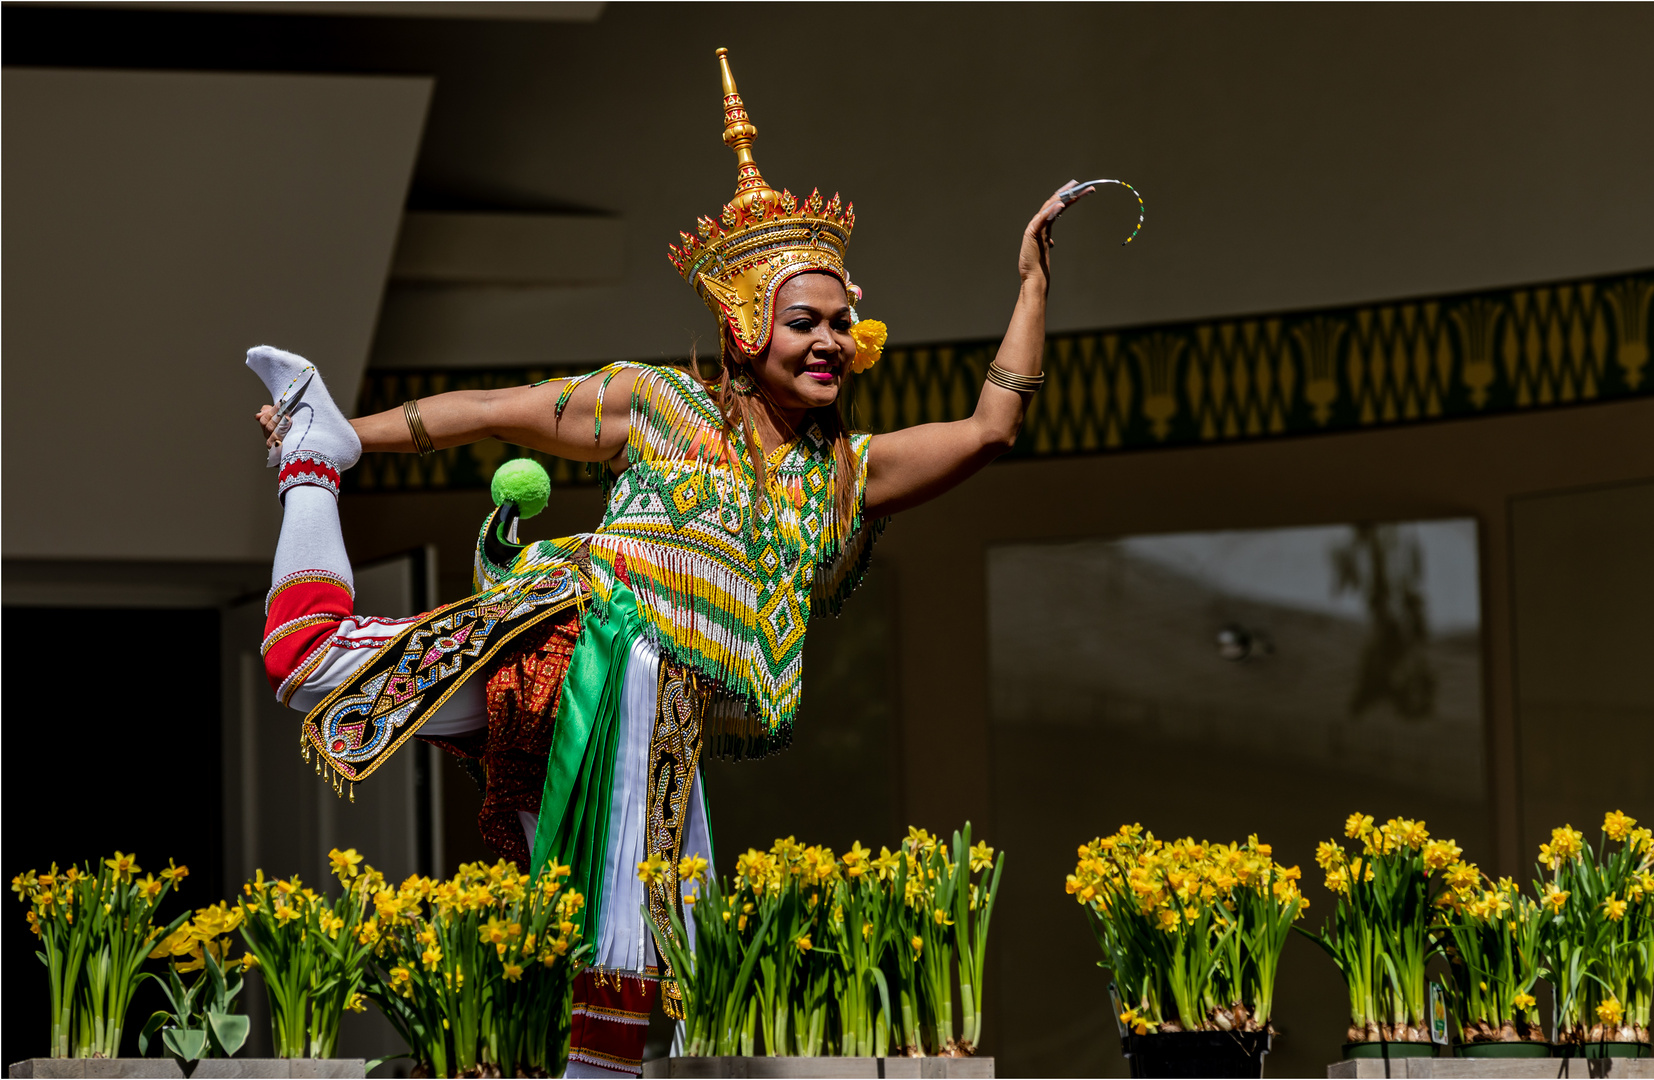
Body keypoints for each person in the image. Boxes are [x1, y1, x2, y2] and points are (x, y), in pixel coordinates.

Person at [249, 47, 1090, 1078]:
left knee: (670, 918)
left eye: (840, 325)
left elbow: (990, 429)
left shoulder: (845, 474)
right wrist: (344, 433)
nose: (829, 342)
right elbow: (482, 412)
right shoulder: (658, 404)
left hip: (659, 699)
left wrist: (1030, 284)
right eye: (804, 322)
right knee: (308, 664)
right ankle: (308, 465)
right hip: (562, 642)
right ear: (744, 326)